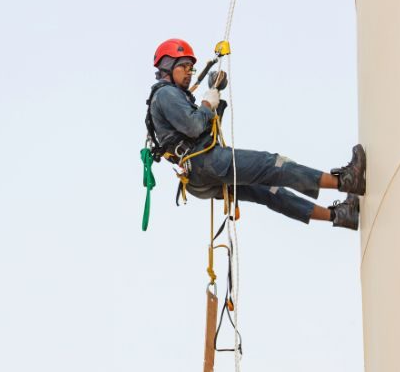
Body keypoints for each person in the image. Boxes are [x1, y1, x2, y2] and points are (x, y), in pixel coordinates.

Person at [145, 38, 365, 230]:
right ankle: (345, 181)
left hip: (199, 175)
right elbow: (194, 126)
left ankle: (339, 216)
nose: (189, 73)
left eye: (191, 68)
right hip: (205, 162)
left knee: (269, 192)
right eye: (184, 66)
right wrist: (205, 103)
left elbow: (204, 131)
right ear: (167, 66)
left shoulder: (175, 97)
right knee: (273, 165)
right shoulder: (166, 94)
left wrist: (215, 96)